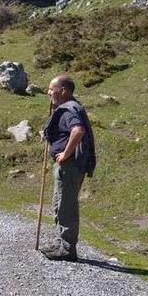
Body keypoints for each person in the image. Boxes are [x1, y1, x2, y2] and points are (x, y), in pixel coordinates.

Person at [40, 75, 96, 261]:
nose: (48, 92)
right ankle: (61, 242)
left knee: (66, 206)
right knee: (59, 204)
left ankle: (67, 249)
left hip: (69, 165)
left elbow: (78, 131)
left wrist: (65, 153)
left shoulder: (68, 109)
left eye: (51, 89)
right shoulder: (70, 107)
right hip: (69, 165)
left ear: (63, 90)